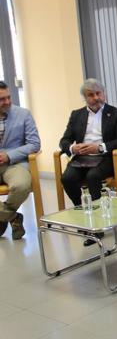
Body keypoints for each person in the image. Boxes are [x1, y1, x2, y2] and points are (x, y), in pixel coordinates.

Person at [59, 78, 117, 246]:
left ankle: (97, 225)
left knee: (93, 176)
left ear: (104, 94)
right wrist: (72, 148)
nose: (96, 98)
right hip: (81, 157)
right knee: (67, 178)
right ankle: (85, 213)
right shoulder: (76, 115)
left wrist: (99, 148)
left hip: (105, 157)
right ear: (85, 97)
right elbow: (64, 140)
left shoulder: (116, 113)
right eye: (91, 95)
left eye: (99, 93)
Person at [0, 81, 40, 240]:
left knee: (21, 186)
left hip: (14, 164)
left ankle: (4, 216)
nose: (8, 102)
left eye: (8, 97)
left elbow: (35, 144)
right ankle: (13, 217)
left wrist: (9, 155)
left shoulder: (24, 114)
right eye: (2, 99)